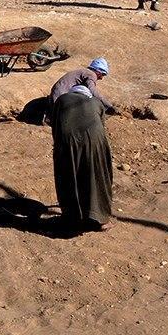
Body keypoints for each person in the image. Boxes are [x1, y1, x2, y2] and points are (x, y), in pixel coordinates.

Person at [52, 84, 114, 231]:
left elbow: (54, 124)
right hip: (95, 143)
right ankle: (101, 219)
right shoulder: (96, 102)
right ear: (87, 94)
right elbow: (101, 125)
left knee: (69, 176)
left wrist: (59, 146)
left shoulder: (61, 100)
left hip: (68, 143)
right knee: (96, 176)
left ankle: (71, 218)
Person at [49, 58, 114, 114]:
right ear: (98, 71)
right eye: (102, 74)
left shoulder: (84, 71)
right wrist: (109, 106)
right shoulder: (91, 74)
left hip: (57, 92)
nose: (101, 78)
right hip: (59, 96)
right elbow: (93, 92)